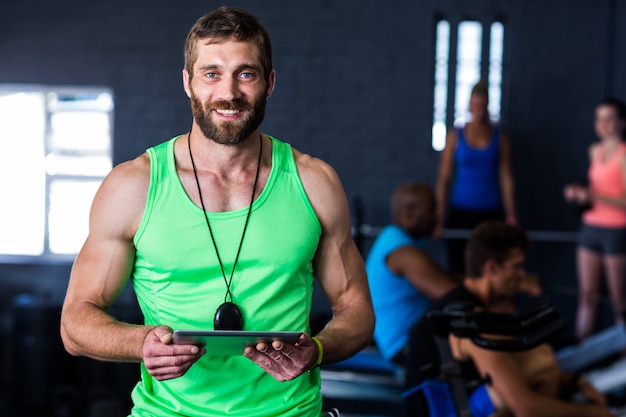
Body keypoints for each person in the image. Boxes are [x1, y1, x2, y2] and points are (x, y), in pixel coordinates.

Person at [60, 7, 375, 417]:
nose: (229, 92)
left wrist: (316, 350)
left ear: (270, 82)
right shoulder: (133, 187)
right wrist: (141, 344)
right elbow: (75, 322)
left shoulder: (314, 182)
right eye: (211, 74)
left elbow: (357, 309)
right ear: (188, 83)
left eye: (246, 73)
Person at [405, 221, 615, 417]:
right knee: (532, 368)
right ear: (492, 269)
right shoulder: (472, 321)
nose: (522, 274)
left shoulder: (462, 304)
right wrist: (594, 413)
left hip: (458, 401)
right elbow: (524, 407)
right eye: (517, 267)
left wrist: (574, 382)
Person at [365, 181, 456, 364]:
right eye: (431, 210)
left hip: (415, 330)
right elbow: (454, 295)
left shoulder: (404, 239)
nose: (437, 216)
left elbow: (446, 278)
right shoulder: (403, 252)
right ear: (408, 214)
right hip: (403, 344)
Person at [435, 80, 517, 277]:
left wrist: (511, 215)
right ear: (469, 106)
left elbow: (506, 176)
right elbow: (444, 178)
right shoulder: (456, 135)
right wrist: (438, 217)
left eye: (482, 106)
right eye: (475, 105)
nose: (478, 110)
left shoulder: (500, 136)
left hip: (490, 213)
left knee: (490, 269)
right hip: (460, 212)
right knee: (459, 268)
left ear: (488, 106)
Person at [564, 97, 626, 341]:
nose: (604, 124)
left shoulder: (623, 154)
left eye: (609, 118)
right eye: (600, 119)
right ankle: (582, 356)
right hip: (590, 226)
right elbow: (594, 192)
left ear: (621, 122)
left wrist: (594, 194)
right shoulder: (595, 150)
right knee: (586, 296)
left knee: (619, 300)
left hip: (616, 231)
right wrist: (578, 194)